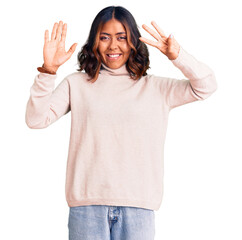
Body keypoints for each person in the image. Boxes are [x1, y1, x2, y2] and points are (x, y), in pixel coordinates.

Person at [25, 5, 217, 240]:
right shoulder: (76, 84)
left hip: (138, 208)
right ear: (94, 41)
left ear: (133, 42)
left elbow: (206, 87)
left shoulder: (156, 88)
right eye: (104, 37)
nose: (113, 46)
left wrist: (178, 55)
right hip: (86, 208)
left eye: (122, 37)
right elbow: (36, 120)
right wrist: (49, 71)